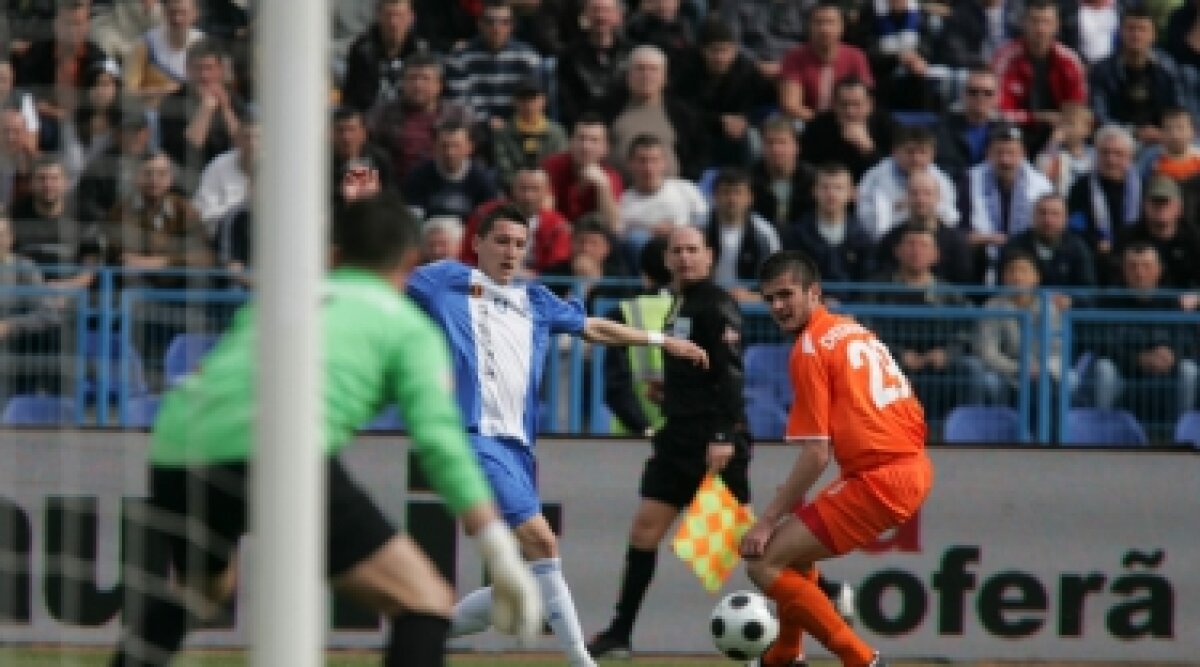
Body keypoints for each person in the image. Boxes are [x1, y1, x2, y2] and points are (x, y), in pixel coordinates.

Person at [109, 193, 543, 667]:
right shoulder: (406, 328)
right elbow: (440, 442)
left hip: (176, 444)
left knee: (202, 592)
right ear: (410, 261)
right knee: (424, 602)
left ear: (335, 254)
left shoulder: (281, 302)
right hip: (275, 451)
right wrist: (496, 543)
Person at [407, 203, 709, 667]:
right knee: (543, 544)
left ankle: (423, 637)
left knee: (527, 579)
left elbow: (594, 328)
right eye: (501, 241)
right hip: (474, 436)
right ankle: (580, 662)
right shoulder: (445, 280)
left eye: (519, 244)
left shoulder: (536, 300)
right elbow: (382, 278)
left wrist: (661, 340)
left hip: (518, 447)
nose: (511, 252)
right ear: (477, 244)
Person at [743, 250, 932, 667]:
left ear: (814, 292)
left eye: (786, 295)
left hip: (879, 478)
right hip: (909, 465)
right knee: (796, 553)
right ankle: (786, 653)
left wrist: (767, 519)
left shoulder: (809, 348)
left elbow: (816, 453)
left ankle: (861, 659)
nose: (778, 307)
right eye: (770, 298)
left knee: (763, 562)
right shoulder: (852, 329)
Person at [588, 225, 751, 659]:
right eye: (677, 251)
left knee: (749, 545)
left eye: (693, 250)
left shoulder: (717, 304)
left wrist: (723, 435)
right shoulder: (680, 302)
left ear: (709, 256)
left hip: (713, 442)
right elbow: (700, 370)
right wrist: (672, 392)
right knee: (644, 530)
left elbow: (731, 373)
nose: (684, 257)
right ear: (666, 260)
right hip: (677, 438)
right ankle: (620, 633)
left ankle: (825, 595)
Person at [444, 0, 543, 124]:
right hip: (474, 125)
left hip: (517, 125)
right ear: (479, 24)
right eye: (490, 21)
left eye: (504, 22)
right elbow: (459, 102)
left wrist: (511, 124)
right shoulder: (461, 58)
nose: (496, 28)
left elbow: (533, 101)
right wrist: (486, 120)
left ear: (512, 26)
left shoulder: (528, 57)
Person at [777, 1, 873, 125]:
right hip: (808, 121)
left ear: (842, 27)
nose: (824, 29)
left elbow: (865, 101)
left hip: (848, 120)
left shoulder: (856, 56)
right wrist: (824, 125)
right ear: (809, 27)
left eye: (830, 22)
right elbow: (790, 105)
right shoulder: (794, 57)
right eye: (818, 22)